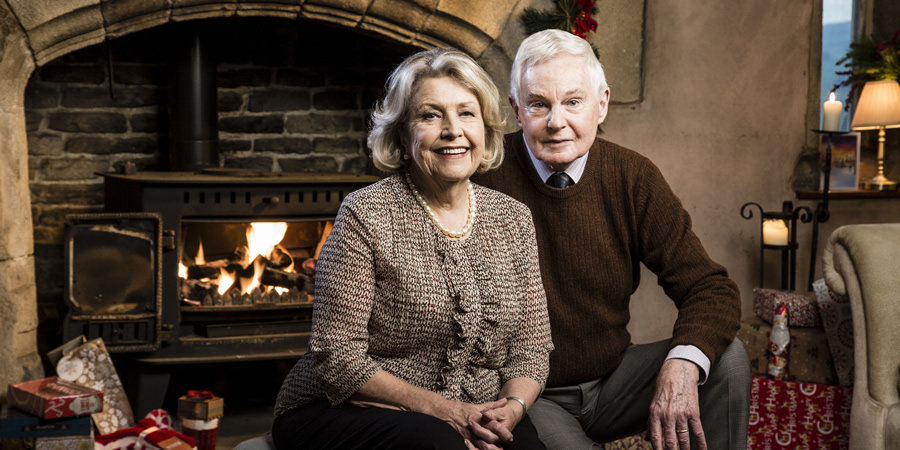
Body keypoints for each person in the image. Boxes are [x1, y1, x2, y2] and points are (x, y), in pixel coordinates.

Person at [472, 29, 751, 450]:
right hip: (529, 395)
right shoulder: (482, 175)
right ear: (516, 109)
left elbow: (710, 288)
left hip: (614, 381)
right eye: (538, 104)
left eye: (572, 101)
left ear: (601, 103)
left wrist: (681, 362)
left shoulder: (632, 176)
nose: (556, 122)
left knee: (725, 359)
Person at [272, 47, 554, 450]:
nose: (452, 129)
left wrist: (511, 407)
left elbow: (531, 348)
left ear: (486, 131)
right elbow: (336, 356)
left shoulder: (513, 219)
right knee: (437, 443)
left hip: (476, 410)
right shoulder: (366, 213)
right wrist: (446, 411)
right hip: (340, 407)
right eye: (430, 114)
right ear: (402, 135)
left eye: (466, 113)